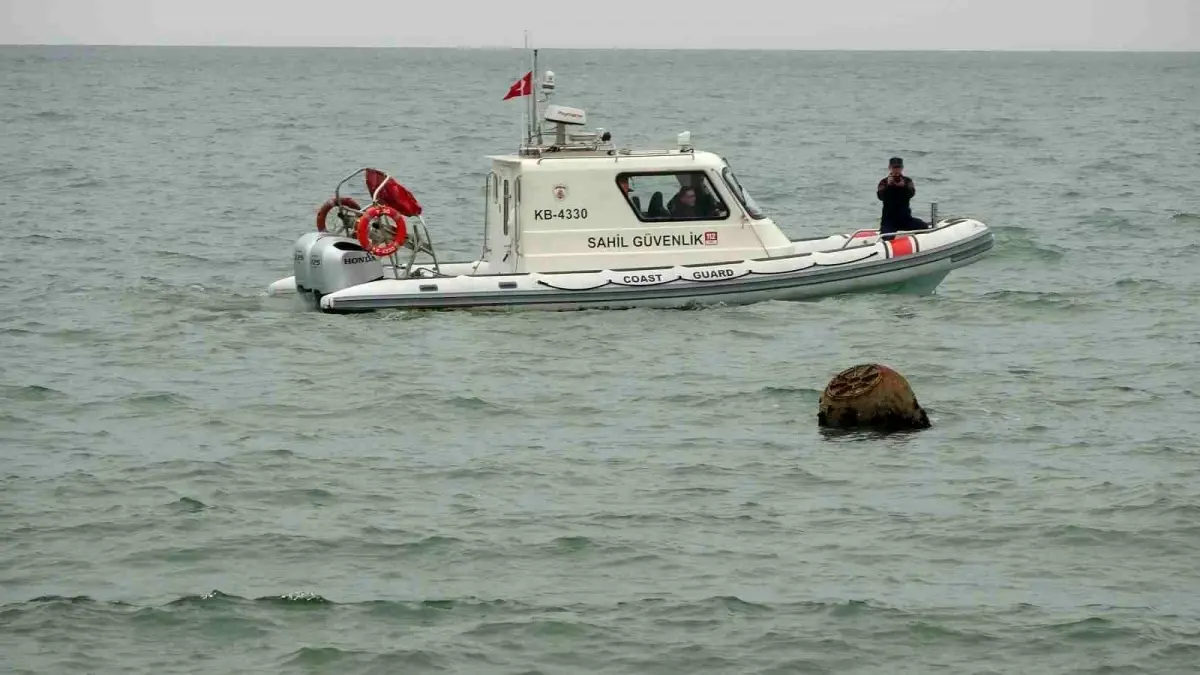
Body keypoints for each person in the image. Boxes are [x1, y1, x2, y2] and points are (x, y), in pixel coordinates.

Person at [876, 157, 927, 234]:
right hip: (889, 221)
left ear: (902, 168)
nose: (896, 170)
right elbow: (881, 197)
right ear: (890, 168)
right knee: (886, 237)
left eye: (898, 167)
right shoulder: (884, 182)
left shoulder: (907, 181)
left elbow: (911, 194)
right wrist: (889, 186)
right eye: (894, 167)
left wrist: (903, 187)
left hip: (905, 219)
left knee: (923, 226)